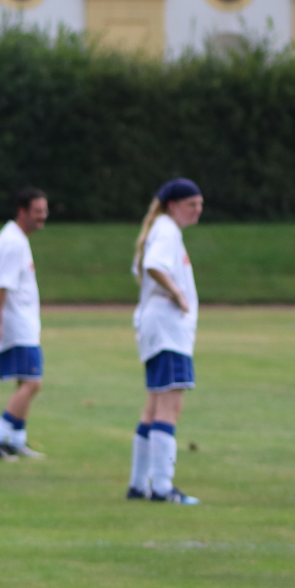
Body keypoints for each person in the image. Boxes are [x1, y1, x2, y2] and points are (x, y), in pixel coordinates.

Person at [127, 179, 203, 504]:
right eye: (191, 204)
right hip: (168, 331)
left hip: (158, 328)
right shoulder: (168, 230)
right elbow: (153, 266)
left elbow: (142, 268)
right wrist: (178, 295)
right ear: (173, 206)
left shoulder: (161, 229)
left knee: (154, 407)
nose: (197, 210)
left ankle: (138, 484)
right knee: (170, 407)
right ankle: (162, 486)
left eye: (200, 204)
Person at [0, 187, 50, 460]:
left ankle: (15, 439)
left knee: (25, 381)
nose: (43, 216)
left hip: (24, 323)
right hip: (18, 325)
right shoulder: (13, 242)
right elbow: (2, 285)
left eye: (44, 211)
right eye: (37, 211)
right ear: (22, 211)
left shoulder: (17, 238)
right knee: (33, 383)